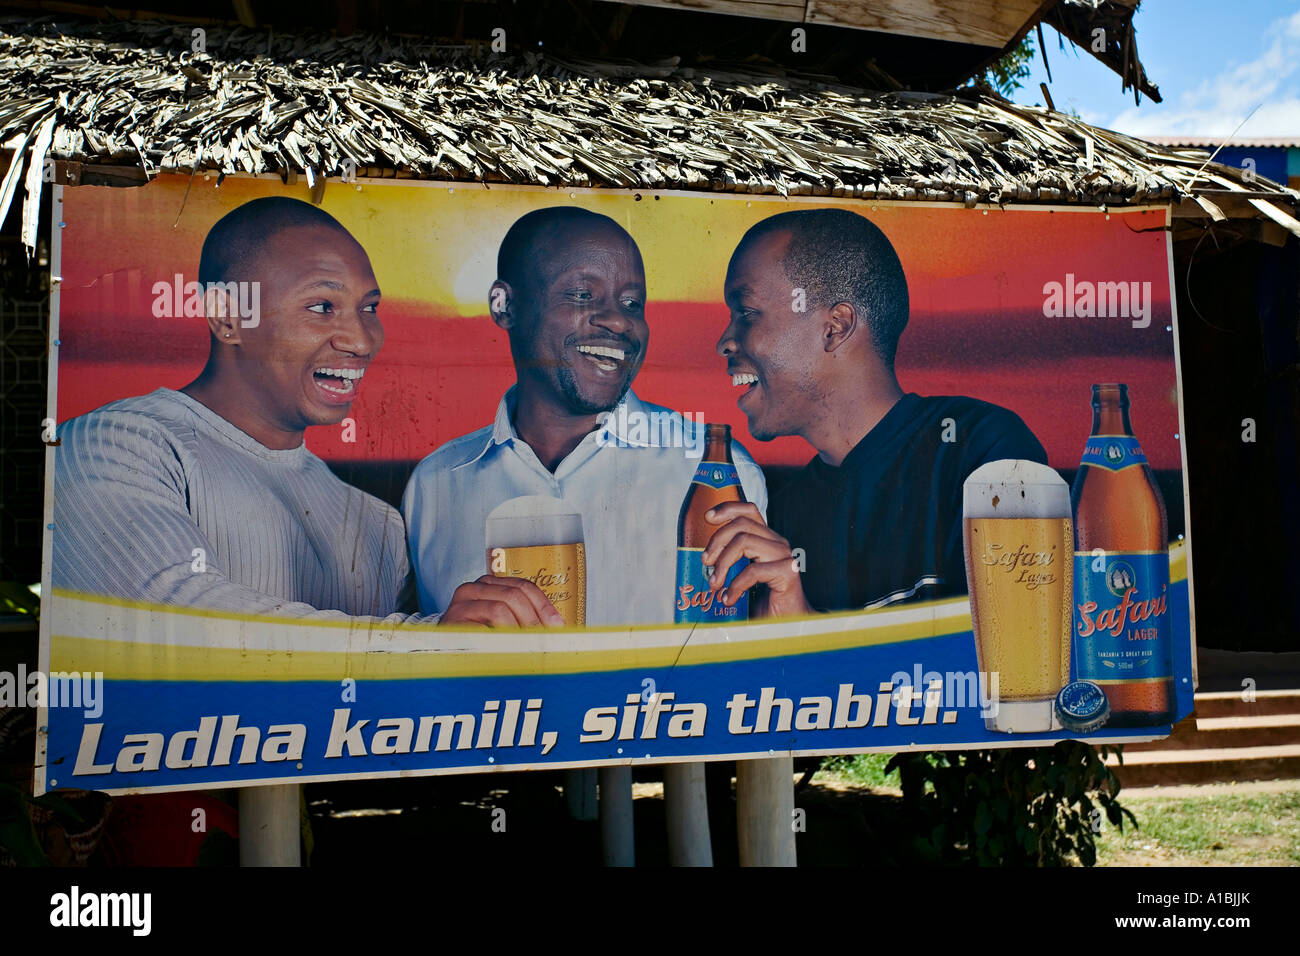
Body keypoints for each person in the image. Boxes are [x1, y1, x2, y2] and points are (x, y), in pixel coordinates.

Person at [403, 206, 767, 627]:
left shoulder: (717, 475)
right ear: (504, 305)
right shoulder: (433, 486)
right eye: (581, 295)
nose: (617, 320)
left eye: (632, 303)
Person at [53, 196, 412, 620]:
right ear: (227, 315)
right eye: (322, 307)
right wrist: (435, 635)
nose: (362, 341)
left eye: (369, 308)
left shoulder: (380, 525)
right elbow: (183, 627)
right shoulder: (113, 446)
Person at [702, 207, 1048, 617]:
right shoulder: (777, 515)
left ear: (835, 327)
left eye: (746, 313)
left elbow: (1013, 660)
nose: (724, 341)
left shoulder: (985, 452)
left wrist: (805, 628)